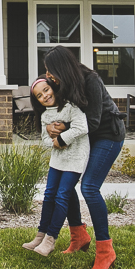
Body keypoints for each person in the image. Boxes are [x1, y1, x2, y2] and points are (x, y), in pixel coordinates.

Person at [42, 45, 126, 269]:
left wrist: (64, 131)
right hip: (82, 138)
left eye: (50, 71)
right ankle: (79, 235)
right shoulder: (61, 83)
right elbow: (54, 107)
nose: (48, 76)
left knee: (89, 187)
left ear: (62, 67)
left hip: (107, 135)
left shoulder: (91, 81)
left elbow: (94, 122)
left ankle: (105, 251)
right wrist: (51, 124)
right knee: (65, 185)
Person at [22, 76, 89, 257]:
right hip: (57, 159)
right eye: (39, 95)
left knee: (62, 196)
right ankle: (40, 235)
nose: (45, 95)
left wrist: (60, 138)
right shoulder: (45, 116)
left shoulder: (70, 107)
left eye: (46, 90)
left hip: (75, 158)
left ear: (52, 87)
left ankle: (51, 239)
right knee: (49, 194)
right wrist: (51, 135)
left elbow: (82, 127)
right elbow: (45, 141)